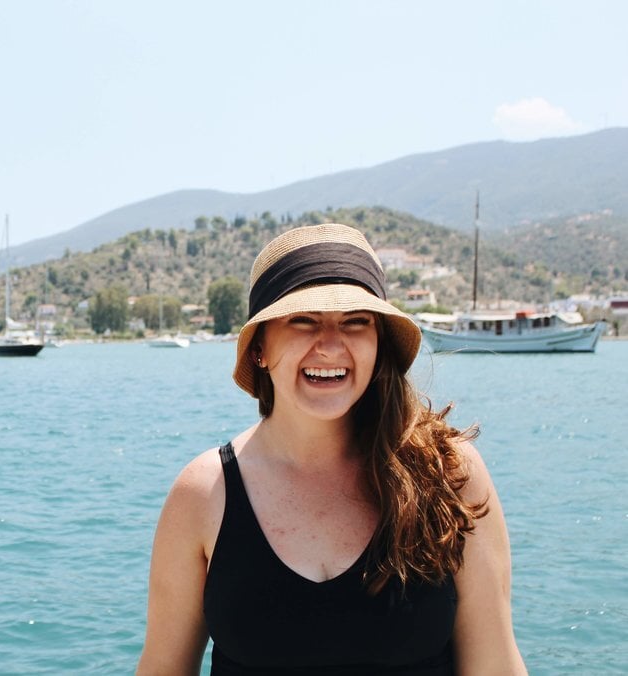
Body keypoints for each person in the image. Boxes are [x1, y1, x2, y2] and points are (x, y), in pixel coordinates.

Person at [137, 223, 526, 675]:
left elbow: (496, 663)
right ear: (260, 347)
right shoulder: (203, 494)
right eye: (303, 320)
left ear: (379, 345)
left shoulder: (449, 474)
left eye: (355, 322)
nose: (330, 345)